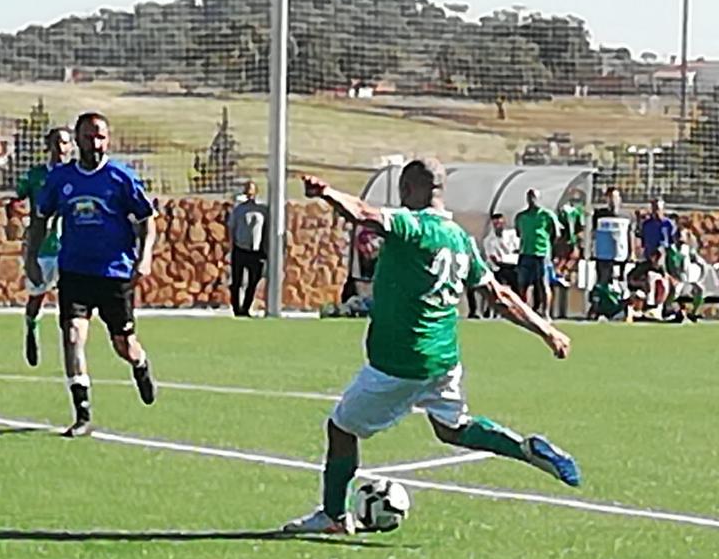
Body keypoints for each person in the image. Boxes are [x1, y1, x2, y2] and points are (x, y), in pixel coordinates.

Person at [282, 160, 579, 536]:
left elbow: (362, 213)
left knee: (341, 429)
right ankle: (523, 448)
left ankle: (334, 516)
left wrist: (326, 193)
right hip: (443, 362)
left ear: (408, 189)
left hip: (398, 362)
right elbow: (499, 296)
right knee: (453, 429)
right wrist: (547, 330)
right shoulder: (460, 239)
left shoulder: (412, 225)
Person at [28, 112, 158, 438]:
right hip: (75, 271)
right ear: (77, 140)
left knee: (123, 345)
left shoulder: (121, 177)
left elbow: (147, 220)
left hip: (114, 273)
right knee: (73, 336)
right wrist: (32, 256)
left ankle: (140, 364)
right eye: (89, 137)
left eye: (101, 137)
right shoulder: (61, 179)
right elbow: (41, 218)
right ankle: (82, 414)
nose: (95, 143)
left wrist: (145, 258)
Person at [10, 127, 73, 367]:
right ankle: (31, 327)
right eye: (56, 142)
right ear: (48, 145)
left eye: (65, 142)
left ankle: (71, 349)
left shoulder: (76, 175)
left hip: (70, 248)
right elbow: (16, 200)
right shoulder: (36, 175)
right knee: (37, 297)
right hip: (43, 248)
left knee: (71, 303)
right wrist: (18, 217)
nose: (61, 147)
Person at [514, 188, 561, 317]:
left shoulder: (547, 215)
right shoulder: (521, 216)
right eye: (530, 197)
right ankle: (525, 312)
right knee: (523, 284)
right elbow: (519, 233)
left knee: (543, 284)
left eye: (534, 197)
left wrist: (549, 247)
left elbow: (556, 234)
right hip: (525, 253)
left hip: (541, 254)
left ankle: (546, 313)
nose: (532, 200)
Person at [228, 180, 269, 317]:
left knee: (253, 282)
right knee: (236, 282)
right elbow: (232, 228)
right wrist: (231, 246)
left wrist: (265, 249)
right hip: (240, 249)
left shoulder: (263, 210)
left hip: (256, 251)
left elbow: (266, 229)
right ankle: (236, 309)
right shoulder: (239, 209)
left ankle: (246, 308)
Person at [592, 187, 634, 285]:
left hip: (621, 255)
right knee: (603, 282)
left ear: (620, 199)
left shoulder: (627, 215)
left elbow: (630, 234)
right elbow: (593, 232)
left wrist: (632, 252)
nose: (613, 200)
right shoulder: (599, 214)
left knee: (620, 283)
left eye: (615, 197)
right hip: (603, 255)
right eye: (610, 197)